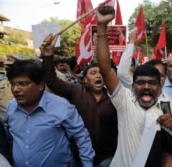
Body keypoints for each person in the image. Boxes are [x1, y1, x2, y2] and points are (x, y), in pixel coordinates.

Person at [96, 6, 172, 167]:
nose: (146, 87)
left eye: (152, 83)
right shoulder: (125, 101)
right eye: (141, 82)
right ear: (132, 85)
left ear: (161, 85)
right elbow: (106, 69)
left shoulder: (169, 105)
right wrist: (101, 26)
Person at [41, 35, 118, 166]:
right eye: (93, 73)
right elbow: (51, 81)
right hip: (79, 157)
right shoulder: (76, 91)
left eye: (101, 73)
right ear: (85, 80)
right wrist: (48, 55)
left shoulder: (115, 97)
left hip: (107, 157)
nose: (98, 75)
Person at [4, 60, 95, 167]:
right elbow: (9, 137)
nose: (15, 89)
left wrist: (87, 164)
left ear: (40, 85)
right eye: (13, 84)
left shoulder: (61, 107)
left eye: (23, 84)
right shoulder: (11, 108)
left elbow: (81, 137)